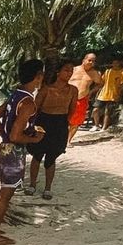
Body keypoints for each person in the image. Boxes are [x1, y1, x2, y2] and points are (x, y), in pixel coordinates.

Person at [0, 59, 45, 245]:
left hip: (4, 148)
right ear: (38, 76)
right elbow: (16, 136)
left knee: (3, 190)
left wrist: (4, 136)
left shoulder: (15, 95)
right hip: (14, 152)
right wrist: (34, 139)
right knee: (7, 193)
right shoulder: (28, 102)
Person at [25, 58, 78, 200]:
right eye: (66, 70)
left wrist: (64, 123)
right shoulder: (47, 89)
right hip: (43, 122)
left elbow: (72, 109)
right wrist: (32, 125)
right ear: (58, 71)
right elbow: (35, 108)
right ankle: (32, 184)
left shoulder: (73, 90)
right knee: (37, 155)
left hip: (60, 123)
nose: (69, 73)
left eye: (71, 71)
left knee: (51, 157)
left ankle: (48, 188)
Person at [68, 52, 103, 143]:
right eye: (89, 60)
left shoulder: (94, 74)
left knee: (76, 122)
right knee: (62, 120)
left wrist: (91, 92)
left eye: (93, 61)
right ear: (84, 60)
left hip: (82, 99)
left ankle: (68, 141)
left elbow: (100, 84)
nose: (91, 62)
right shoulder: (73, 70)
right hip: (67, 98)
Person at [92, 57, 123, 130]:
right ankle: (96, 125)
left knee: (107, 112)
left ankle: (104, 128)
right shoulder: (108, 71)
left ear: (120, 63)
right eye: (113, 63)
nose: (115, 64)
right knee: (95, 110)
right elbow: (102, 83)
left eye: (116, 63)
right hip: (103, 94)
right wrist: (96, 91)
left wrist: (119, 94)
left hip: (113, 95)